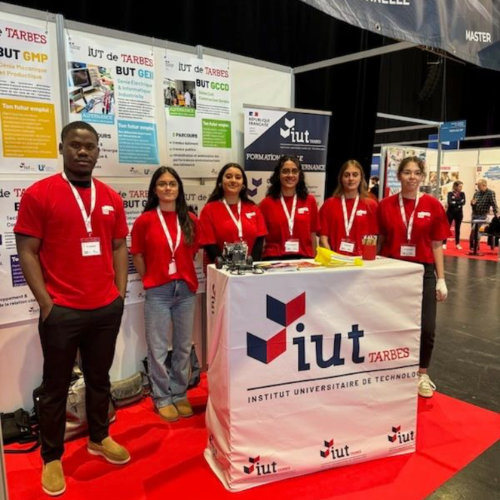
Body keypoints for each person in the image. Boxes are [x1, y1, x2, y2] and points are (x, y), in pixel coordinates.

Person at [14, 121, 130, 497]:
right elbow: (27, 251)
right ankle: (52, 457)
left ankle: (99, 437)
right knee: (55, 387)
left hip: (105, 308)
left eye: (90, 146)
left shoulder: (110, 197)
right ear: (62, 147)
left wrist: (119, 294)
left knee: (99, 379)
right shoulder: (39, 194)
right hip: (62, 310)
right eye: (75, 145)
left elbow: (118, 246)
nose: (83, 151)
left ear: (98, 151)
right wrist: (46, 303)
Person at [131, 167, 199, 423]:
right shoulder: (145, 220)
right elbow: (138, 254)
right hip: (158, 291)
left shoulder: (190, 220)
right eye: (162, 184)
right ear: (154, 189)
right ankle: (162, 397)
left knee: (183, 345)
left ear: (179, 188)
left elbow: (193, 252)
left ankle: (179, 393)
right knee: (158, 347)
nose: (168, 188)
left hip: (185, 290)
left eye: (172, 183)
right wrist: (150, 279)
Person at [377, 156, 449, 398]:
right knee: (391, 324)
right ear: (398, 176)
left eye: (416, 173)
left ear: (422, 177)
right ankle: (391, 371)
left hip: (423, 272)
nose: (411, 177)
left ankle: (422, 374)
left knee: (427, 327)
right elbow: (380, 241)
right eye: (407, 172)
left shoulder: (433, 205)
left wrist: (441, 279)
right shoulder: (385, 205)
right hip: (392, 270)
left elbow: (437, 244)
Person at [199, 163, 267, 263]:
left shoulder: (253, 209)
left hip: (249, 267)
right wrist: (225, 267)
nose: (233, 180)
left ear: (243, 184)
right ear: (220, 182)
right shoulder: (208, 209)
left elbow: (259, 240)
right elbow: (209, 244)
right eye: (228, 177)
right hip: (221, 268)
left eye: (238, 177)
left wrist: (251, 264)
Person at [259, 155, 319, 260]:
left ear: (300, 175)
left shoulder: (310, 201)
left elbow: (312, 234)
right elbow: (261, 239)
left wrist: (315, 260)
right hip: (274, 259)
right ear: (278, 175)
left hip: (304, 259)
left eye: (294, 171)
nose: (290, 175)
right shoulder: (266, 204)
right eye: (285, 171)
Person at [319, 159, 378, 256]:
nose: (351, 178)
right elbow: (323, 239)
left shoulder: (371, 205)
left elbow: (375, 238)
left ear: (361, 178)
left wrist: (368, 259)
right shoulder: (329, 204)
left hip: (361, 261)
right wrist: (333, 258)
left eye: (355, 175)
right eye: (346, 175)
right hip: (334, 260)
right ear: (341, 179)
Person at [469, 179, 498, 252]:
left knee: (475, 230)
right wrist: (472, 204)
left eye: (479, 186)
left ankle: (475, 246)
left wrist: (496, 214)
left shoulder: (491, 193)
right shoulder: (476, 193)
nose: (478, 187)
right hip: (474, 214)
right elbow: (473, 205)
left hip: (482, 215)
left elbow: (494, 204)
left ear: (484, 185)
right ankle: (473, 246)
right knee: (473, 231)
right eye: (478, 186)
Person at [443, 181, 466, 250]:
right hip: (450, 213)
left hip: (459, 213)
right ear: (455, 186)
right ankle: (444, 243)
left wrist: (455, 202)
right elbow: (450, 202)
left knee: (457, 228)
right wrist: (459, 203)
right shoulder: (450, 193)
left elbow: (463, 202)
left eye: (461, 186)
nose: (461, 188)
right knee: (447, 228)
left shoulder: (462, 194)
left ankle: (457, 244)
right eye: (459, 186)